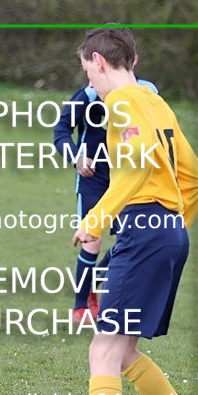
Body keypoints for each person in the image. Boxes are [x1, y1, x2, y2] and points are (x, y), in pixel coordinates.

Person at [44, 28, 198, 395]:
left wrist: (97, 220)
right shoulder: (156, 104)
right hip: (167, 233)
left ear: (99, 61)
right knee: (122, 353)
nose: (91, 83)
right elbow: (197, 178)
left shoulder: (120, 105)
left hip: (143, 232)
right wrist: (173, 227)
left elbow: (139, 168)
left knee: (102, 352)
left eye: (88, 72)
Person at [53, 77, 158, 323]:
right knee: (92, 239)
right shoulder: (87, 95)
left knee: (129, 239)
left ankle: (95, 281)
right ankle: (81, 307)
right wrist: (77, 156)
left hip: (128, 179)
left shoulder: (146, 92)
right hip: (94, 180)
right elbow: (60, 131)